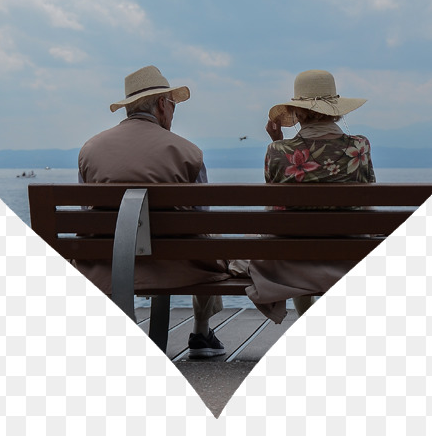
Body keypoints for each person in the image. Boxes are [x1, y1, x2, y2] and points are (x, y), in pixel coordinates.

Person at [74, 65, 231, 357]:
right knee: (210, 233)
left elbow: (86, 211)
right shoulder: (188, 152)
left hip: (105, 264)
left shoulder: (90, 149)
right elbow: (202, 213)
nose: (173, 113)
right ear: (161, 104)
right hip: (178, 265)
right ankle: (200, 330)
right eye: (173, 105)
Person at [245, 69, 377, 324]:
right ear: (336, 109)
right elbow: (368, 204)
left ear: (297, 112)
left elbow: (274, 209)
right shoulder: (359, 146)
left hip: (291, 261)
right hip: (349, 256)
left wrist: (279, 143)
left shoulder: (276, 151)